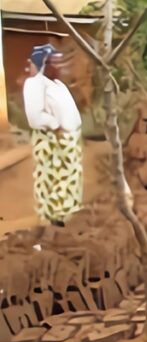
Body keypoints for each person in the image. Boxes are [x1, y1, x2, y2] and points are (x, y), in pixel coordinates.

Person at [23, 44, 83, 226]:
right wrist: (56, 126)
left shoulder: (57, 84)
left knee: (68, 182)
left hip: (67, 141)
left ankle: (65, 220)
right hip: (51, 141)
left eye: (61, 63)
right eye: (56, 63)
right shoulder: (35, 84)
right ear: (45, 65)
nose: (61, 67)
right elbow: (34, 116)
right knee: (52, 180)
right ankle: (53, 224)